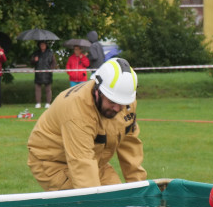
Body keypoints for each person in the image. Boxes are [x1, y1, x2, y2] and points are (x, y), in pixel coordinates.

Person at [27, 58, 146, 190]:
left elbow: (130, 144)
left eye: (121, 103)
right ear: (97, 90)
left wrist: (139, 188)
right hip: (53, 162)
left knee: (120, 202)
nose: (117, 108)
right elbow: (82, 165)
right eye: (112, 101)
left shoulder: (126, 102)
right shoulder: (77, 111)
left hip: (94, 159)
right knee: (95, 204)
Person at [32, 40, 56, 109]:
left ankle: (48, 103)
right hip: (38, 74)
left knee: (48, 89)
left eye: (44, 44)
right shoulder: (36, 53)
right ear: (39, 45)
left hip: (47, 74)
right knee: (37, 89)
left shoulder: (50, 53)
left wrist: (51, 69)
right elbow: (31, 62)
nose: (42, 46)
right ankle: (38, 103)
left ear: (46, 45)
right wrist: (34, 60)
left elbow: (54, 63)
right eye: (41, 44)